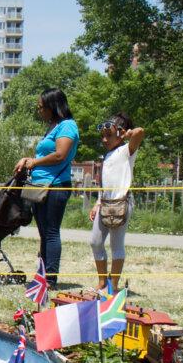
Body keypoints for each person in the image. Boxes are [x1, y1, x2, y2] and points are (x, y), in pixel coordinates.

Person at [14, 87, 79, 288]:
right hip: (40, 185)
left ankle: (50, 278)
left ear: (53, 106)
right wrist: (28, 160)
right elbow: (43, 155)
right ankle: (41, 276)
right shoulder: (52, 126)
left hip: (56, 186)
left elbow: (60, 155)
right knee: (43, 232)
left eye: (41, 107)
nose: (39, 110)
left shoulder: (67, 126)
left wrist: (34, 162)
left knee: (51, 232)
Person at [90, 113, 145, 292]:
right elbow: (104, 183)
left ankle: (113, 285)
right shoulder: (106, 156)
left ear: (120, 133)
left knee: (116, 244)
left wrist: (127, 135)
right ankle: (102, 281)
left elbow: (140, 132)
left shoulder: (126, 151)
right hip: (105, 203)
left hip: (122, 203)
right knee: (95, 242)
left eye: (109, 135)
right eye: (102, 136)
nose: (104, 139)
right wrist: (97, 202)